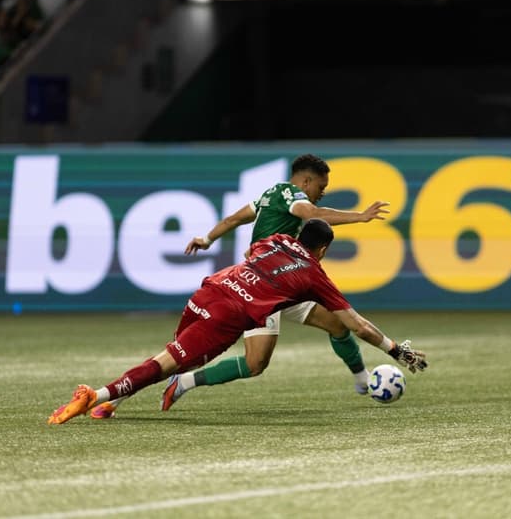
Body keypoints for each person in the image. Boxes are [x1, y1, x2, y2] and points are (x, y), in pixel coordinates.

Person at [89, 154, 390, 418]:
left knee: (335, 325)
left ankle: (362, 379)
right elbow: (310, 214)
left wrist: (207, 238)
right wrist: (360, 217)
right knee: (241, 361)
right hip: (262, 292)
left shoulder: (268, 197)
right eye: (321, 187)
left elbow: (235, 218)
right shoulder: (289, 194)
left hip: (286, 285)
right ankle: (127, 396)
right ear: (306, 181)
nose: (321, 194)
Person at [48, 219, 428, 425]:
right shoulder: (315, 273)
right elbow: (359, 324)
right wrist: (395, 350)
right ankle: (96, 395)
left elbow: (250, 253)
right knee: (169, 363)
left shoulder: (275, 239)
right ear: (324, 249)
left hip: (212, 289)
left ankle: (112, 401)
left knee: (175, 361)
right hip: (228, 314)